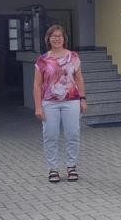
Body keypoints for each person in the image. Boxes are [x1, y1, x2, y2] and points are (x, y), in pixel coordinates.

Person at [34, 25, 87, 183]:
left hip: (71, 101)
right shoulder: (43, 60)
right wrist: (38, 107)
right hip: (49, 103)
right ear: (48, 39)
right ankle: (53, 168)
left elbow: (79, 78)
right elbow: (37, 85)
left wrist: (82, 98)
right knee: (50, 135)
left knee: (73, 134)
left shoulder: (73, 56)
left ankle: (71, 166)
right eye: (53, 36)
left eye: (59, 36)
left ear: (64, 38)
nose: (57, 39)